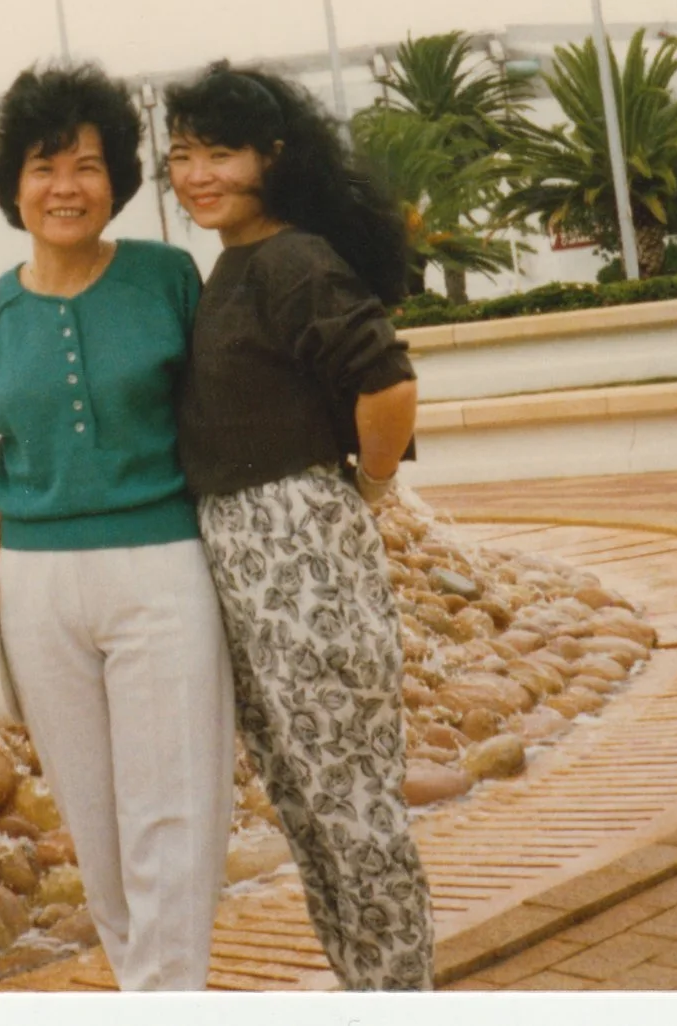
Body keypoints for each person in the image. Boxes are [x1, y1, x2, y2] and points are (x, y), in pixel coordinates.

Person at [0, 61, 235, 991]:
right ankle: (147, 991)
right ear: (13, 186)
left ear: (115, 177)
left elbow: (228, 410)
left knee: (173, 815)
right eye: (44, 167)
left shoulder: (168, 277)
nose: (65, 187)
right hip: (38, 592)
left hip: (163, 573)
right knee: (98, 826)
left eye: (85, 165)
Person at [162, 61, 434, 991]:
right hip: (255, 558)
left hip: (300, 551)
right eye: (182, 155)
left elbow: (388, 381)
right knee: (311, 803)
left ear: (273, 158)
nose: (198, 174)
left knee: (350, 808)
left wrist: (370, 488)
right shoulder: (238, 263)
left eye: (221, 154)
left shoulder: (291, 259)